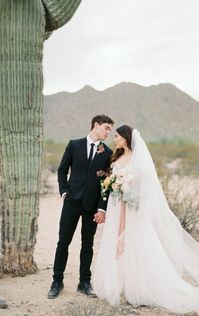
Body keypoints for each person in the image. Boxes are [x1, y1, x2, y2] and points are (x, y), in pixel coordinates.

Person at [94, 125, 199, 315]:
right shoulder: (115, 157)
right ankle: (121, 284)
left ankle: (140, 287)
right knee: (119, 245)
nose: (114, 139)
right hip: (117, 206)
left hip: (131, 209)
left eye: (116, 136)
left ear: (125, 138)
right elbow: (112, 181)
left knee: (134, 246)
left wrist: (124, 189)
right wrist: (114, 186)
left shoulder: (137, 160)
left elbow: (141, 188)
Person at [48, 114, 114, 299]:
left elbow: (106, 183)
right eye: (107, 128)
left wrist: (102, 208)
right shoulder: (74, 144)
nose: (109, 132)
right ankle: (57, 281)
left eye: (110, 129)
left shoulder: (107, 153)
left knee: (88, 245)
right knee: (63, 243)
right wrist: (63, 191)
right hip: (71, 202)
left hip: (91, 206)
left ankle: (84, 282)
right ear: (96, 125)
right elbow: (62, 170)